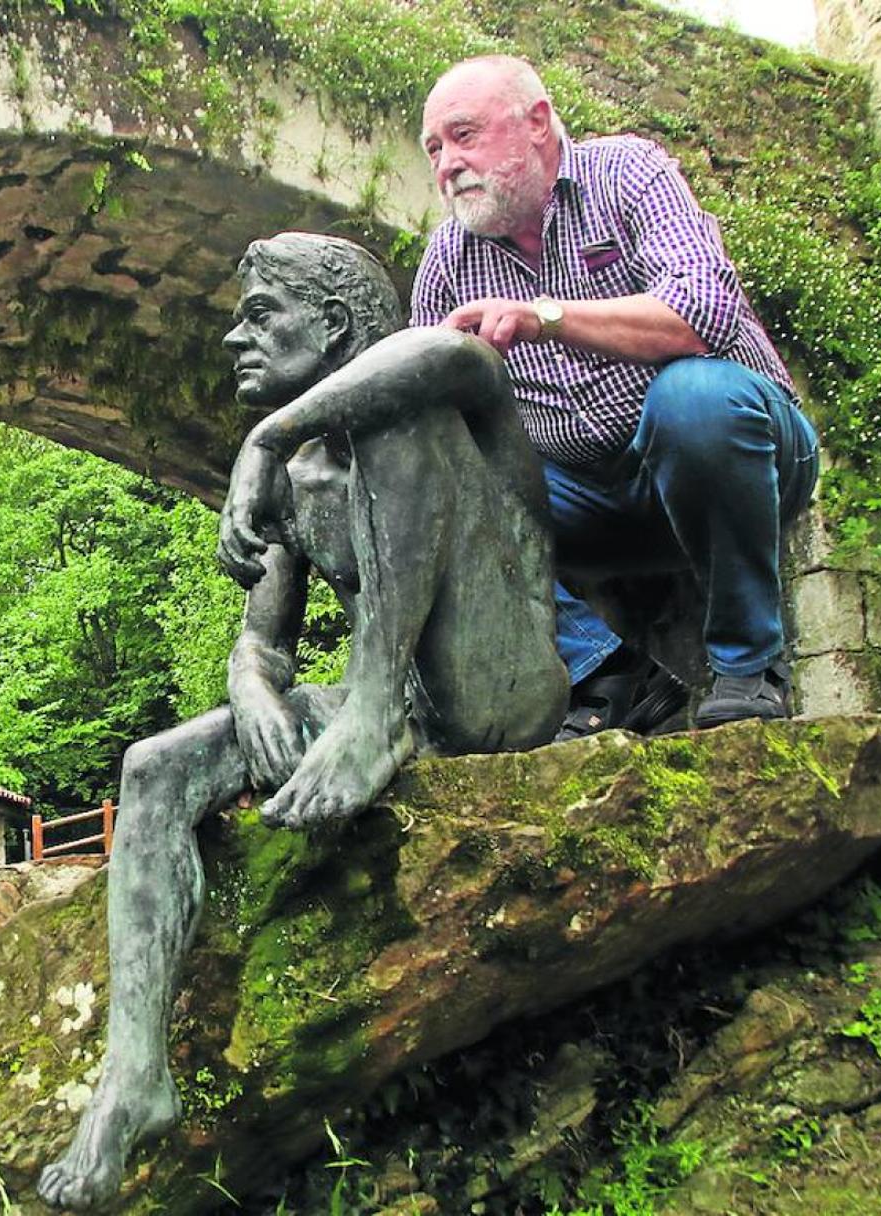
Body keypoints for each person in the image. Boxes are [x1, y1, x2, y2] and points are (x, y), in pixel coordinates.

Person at [36, 232, 567, 1210]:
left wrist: (266, 433)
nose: (237, 336)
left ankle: (367, 717)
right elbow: (263, 639)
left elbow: (449, 354)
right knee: (154, 767)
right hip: (398, 701)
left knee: (388, 413)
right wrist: (252, 690)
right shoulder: (289, 475)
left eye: (260, 315)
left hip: (496, 689)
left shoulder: (444, 394)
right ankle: (133, 1075)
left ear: (329, 324)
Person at [414, 54, 819, 735]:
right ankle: (602, 673)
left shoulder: (629, 172)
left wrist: (546, 316)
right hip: (587, 503)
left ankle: (751, 667)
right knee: (422, 474)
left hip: (743, 454)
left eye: (463, 135)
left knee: (693, 400)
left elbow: (705, 314)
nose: (446, 163)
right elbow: (420, 423)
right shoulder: (446, 260)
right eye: (433, 148)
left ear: (536, 123)